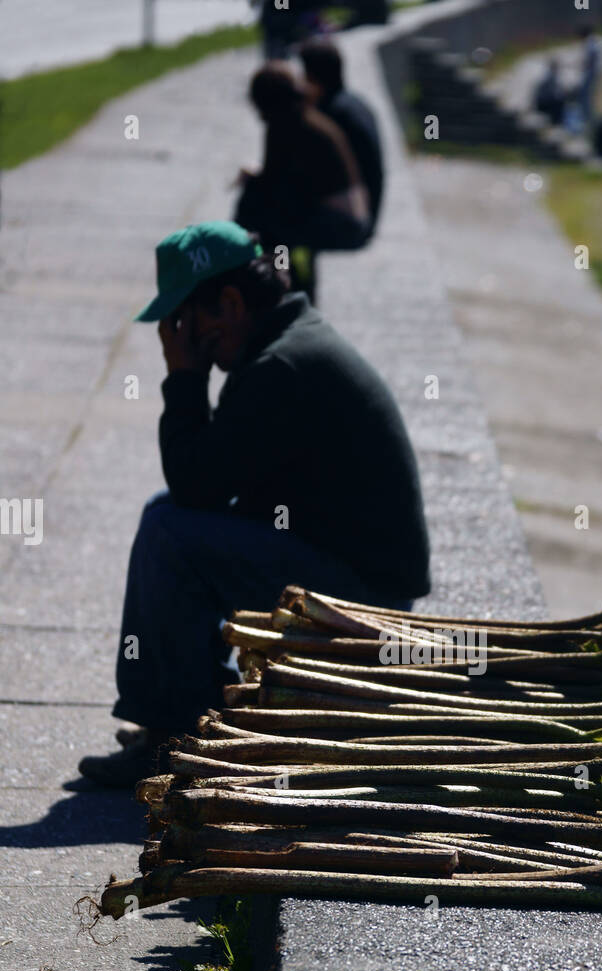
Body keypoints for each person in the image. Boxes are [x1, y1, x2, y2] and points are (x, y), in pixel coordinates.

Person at [78, 221, 431, 787]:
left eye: (190, 325)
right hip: (353, 580)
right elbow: (215, 488)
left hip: (365, 607)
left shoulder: (281, 367)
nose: (187, 343)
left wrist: (184, 379)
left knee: (170, 529)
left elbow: (196, 485)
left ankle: (173, 732)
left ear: (232, 303)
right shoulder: (288, 347)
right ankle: (186, 711)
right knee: (173, 521)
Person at [234, 63, 370, 259]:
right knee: (268, 210)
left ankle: (254, 266)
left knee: (260, 211)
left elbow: (272, 181)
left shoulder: (285, 125)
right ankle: (274, 270)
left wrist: (252, 176)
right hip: (350, 218)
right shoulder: (305, 118)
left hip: (343, 224)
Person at [300, 38, 385, 239]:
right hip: (365, 214)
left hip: (351, 222)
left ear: (312, 76)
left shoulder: (329, 114)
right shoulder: (355, 103)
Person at [532, 58, 567, 127]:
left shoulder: (549, 75)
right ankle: (556, 123)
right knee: (559, 103)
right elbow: (553, 93)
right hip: (542, 103)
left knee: (559, 102)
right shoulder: (551, 76)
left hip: (542, 101)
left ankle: (556, 122)